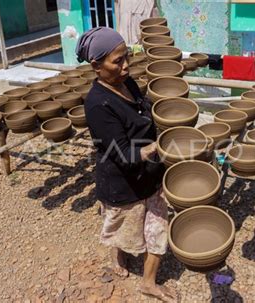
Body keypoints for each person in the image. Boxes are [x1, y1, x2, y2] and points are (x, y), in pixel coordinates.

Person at [76, 27, 178, 302]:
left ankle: (148, 282)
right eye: (117, 61)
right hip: (122, 180)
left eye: (126, 57)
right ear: (96, 66)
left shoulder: (128, 83)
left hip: (150, 174)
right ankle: (117, 255)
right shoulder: (98, 104)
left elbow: (145, 113)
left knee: (157, 230)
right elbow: (121, 154)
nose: (125, 66)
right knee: (122, 231)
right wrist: (161, 146)